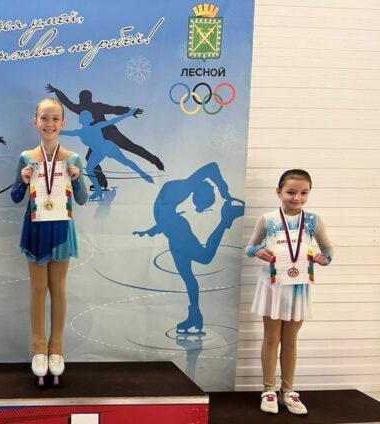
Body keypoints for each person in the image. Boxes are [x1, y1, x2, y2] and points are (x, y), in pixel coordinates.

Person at [11, 98, 88, 386]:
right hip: (35, 230)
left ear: (63, 123)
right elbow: (15, 196)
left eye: (55, 118)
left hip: (61, 230)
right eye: (44, 117)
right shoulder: (27, 157)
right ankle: (38, 349)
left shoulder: (73, 158)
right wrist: (23, 180)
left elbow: (82, 198)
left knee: (58, 288)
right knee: (38, 289)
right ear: (35, 121)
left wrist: (76, 178)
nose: (50, 123)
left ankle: (57, 349)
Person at [246, 169, 333, 415]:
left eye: (304, 193)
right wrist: (257, 251)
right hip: (272, 285)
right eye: (291, 192)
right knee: (271, 337)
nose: (297, 198)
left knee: (291, 340)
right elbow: (249, 247)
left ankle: (288, 390)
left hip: (298, 287)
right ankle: (268, 389)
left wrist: (323, 258)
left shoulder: (313, 220)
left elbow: (328, 251)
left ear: (309, 193)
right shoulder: (268, 219)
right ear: (279, 192)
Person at [133, 162, 244, 334]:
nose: (199, 209)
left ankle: (225, 219)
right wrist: (222, 188)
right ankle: (195, 315)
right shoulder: (186, 186)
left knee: (203, 259)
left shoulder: (185, 187)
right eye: (201, 205)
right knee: (189, 276)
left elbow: (164, 216)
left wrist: (152, 230)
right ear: (200, 194)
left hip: (176, 230)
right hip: (174, 230)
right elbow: (212, 167)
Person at [46, 83, 164, 190]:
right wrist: (128, 110)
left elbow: (67, 103)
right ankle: (154, 160)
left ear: (81, 99)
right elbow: (114, 109)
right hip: (107, 134)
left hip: (102, 136)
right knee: (131, 147)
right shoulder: (96, 106)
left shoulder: (80, 109)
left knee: (123, 149)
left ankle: (102, 183)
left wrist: (57, 91)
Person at [61, 108, 154, 201]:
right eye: (83, 117)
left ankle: (142, 173)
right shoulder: (79, 132)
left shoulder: (96, 127)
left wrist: (128, 114)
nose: (84, 119)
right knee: (89, 169)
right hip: (98, 152)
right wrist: (52, 130)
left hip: (108, 147)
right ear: (81, 119)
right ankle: (98, 191)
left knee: (126, 162)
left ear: (90, 119)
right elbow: (63, 132)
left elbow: (112, 121)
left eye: (86, 117)